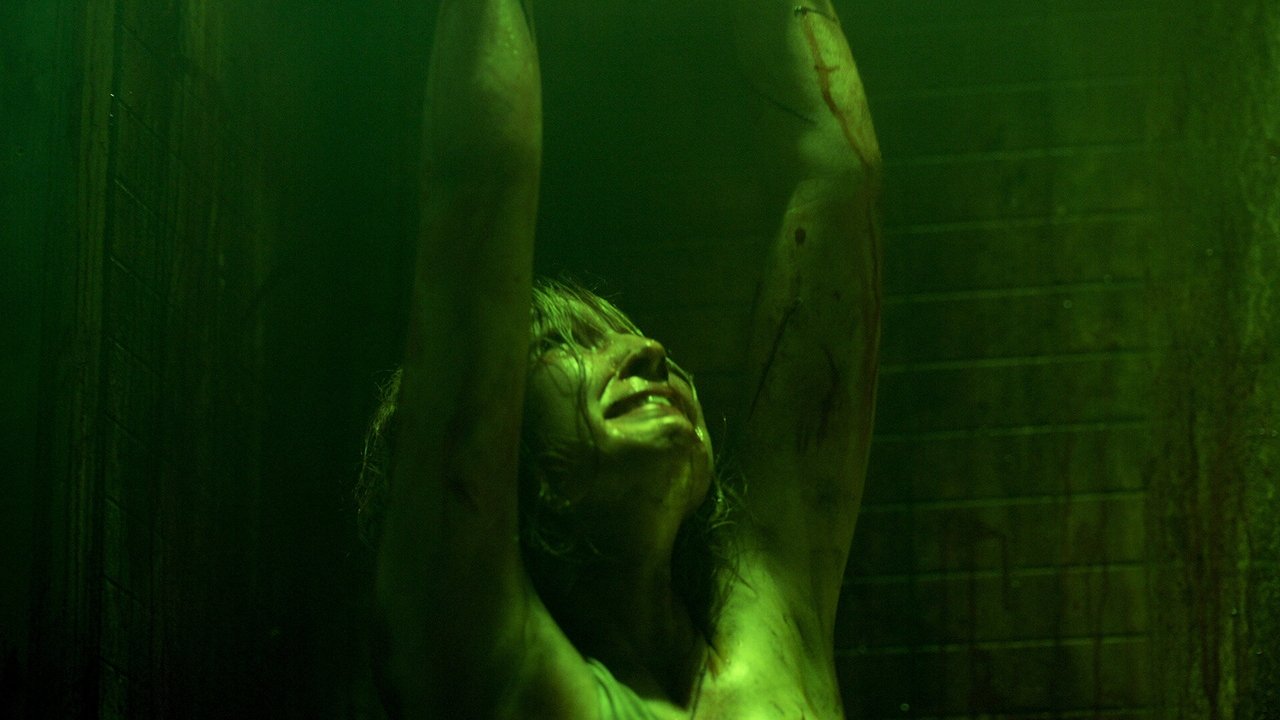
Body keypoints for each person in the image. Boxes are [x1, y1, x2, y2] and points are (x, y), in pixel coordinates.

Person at [360, 0, 881, 717]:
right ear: (502, 440)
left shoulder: (776, 631)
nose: (649, 351)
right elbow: (480, 182)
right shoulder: (485, 659)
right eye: (565, 343)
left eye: (626, 333)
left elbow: (839, 183)